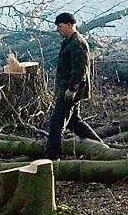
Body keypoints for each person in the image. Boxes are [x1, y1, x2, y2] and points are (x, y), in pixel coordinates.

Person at [44, 12, 103, 159]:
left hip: (70, 91)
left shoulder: (77, 43)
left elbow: (80, 69)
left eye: (60, 26)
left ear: (69, 25)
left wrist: (72, 88)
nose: (58, 30)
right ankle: (101, 148)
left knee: (57, 124)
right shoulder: (69, 41)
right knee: (74, 123)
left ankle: (50, 159)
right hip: (66, 89)